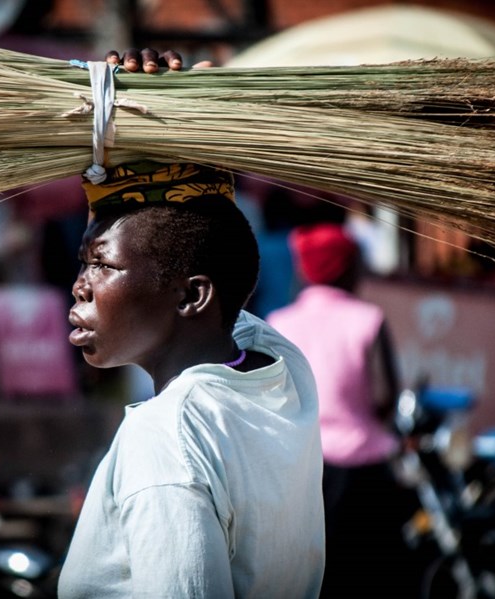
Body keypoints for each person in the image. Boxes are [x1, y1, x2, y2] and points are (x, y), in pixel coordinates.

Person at [57, 160, 326, 598]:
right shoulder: (283, 366)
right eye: (83, 263)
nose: (80, 286)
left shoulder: (164, 436)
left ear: (190, 294)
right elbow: (228, 292)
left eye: (102, 264)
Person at [266, 222, 418, 598]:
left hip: (299, 469)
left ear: (305, 269)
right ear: (348, 269)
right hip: (362, 473)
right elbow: (386, 396)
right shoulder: (369, 319)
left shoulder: (277, 324)